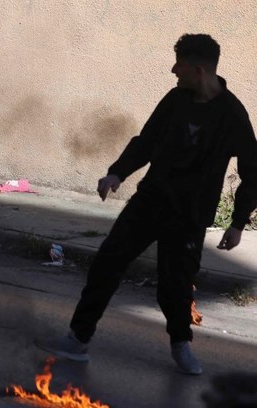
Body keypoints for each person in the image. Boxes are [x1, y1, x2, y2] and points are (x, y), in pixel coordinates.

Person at [40, 33, 257, 375]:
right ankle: (78, 339)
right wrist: (116, 174)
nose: (174, 70)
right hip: (150, 200)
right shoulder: (175, 100)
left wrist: (238, 222)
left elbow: (253, 171)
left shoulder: (231, 115)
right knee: (107, 263)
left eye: (180, 65)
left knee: (177, 283)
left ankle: (181, 344)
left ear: (199, 69)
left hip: (189, 214)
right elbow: (147, 141)